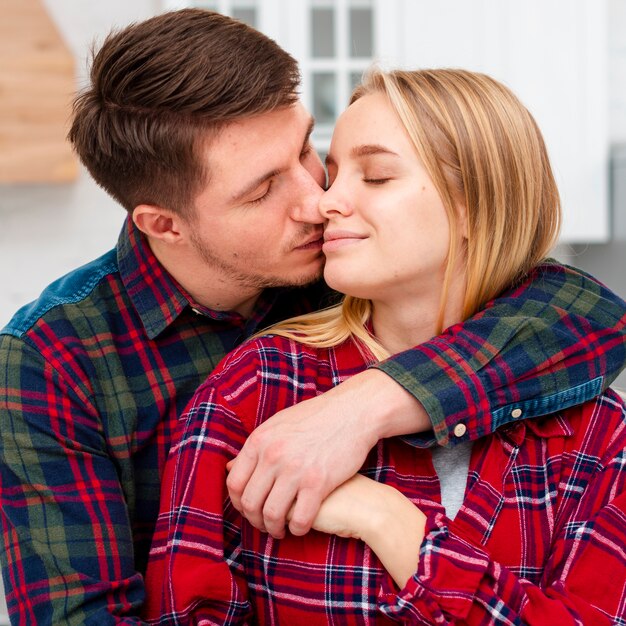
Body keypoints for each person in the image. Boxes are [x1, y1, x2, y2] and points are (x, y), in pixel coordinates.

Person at [0, 9, 624, 624]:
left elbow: (591, 316)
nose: (319, 200)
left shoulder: (349, 270)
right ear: (164, 225)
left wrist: (365, 406)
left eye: (306, 149)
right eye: (263, 189)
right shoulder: (49, 362)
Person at [144, 68, 626, 625]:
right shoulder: (255, 388)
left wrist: (387, 521)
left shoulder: (595, 433)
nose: (327, 202)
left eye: (374, 177)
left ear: (474, 204)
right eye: (332, 173)